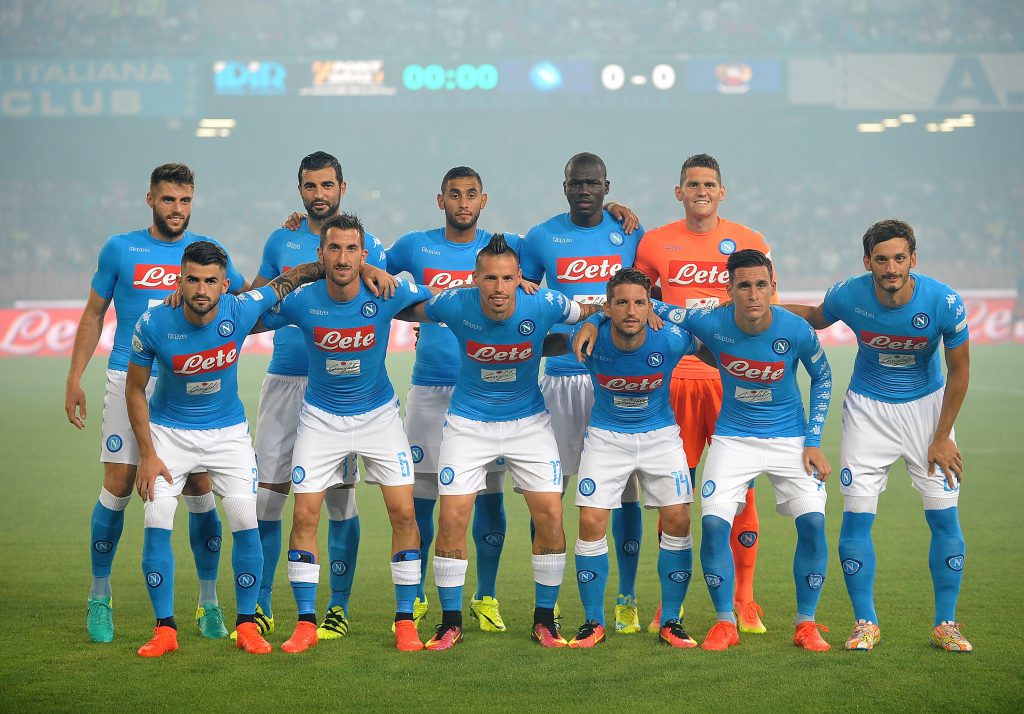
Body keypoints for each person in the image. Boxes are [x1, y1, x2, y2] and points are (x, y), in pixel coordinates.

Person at [576, 249, 833, 652]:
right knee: (713, 524)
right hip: (731, 438)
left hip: (789, 439)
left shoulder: (795, 329)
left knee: (814, 523)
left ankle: (806, 624)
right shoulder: (707, 321)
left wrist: (814, 441)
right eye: (743, 286)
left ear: (773, 288)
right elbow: (642, 304)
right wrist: (594, 318)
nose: (753, 294)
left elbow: (824, 377)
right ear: (728, 290)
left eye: (761, 285)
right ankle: (724, 622)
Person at [64, 163, 248, 643]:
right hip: (131, 376)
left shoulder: (204, 256)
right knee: (122, 484)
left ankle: (208, 604)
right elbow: (92, 313)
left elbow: (246, 291)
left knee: (199, 488)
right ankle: (100, 595)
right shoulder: (120, 249)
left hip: (191, 381)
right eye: (168, 200)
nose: (177, 209)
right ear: (150, 200)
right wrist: (74, 377)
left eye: (185, 200)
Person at [401, 234, 599, 650]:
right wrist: (372, 275)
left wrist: (594, 324)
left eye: (507, 278)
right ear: (475, 279)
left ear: (520, 278)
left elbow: (592, 311)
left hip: (528, 422)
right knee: (452, 519)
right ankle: (450, 621)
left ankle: (545, 619)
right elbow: (403, 307)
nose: (498, 288)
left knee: (549, 515)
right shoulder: (454, 303)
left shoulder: (544, 303)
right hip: (468, 424)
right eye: (489, 278)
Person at [783, 219, 973, 652]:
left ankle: (946, 623)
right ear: (867, 262)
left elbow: (960, 370)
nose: (891, 268)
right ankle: (864, 622)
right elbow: (816, 317)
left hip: (928, 410)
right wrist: (761, 305)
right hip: (868, 412)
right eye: (882, 259)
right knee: (857, 515)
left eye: (900, 258)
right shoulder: (849, 294)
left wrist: (943, 435)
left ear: (913, 259)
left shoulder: (942, 301)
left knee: (944, 516)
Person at [126, 240, 323, 657]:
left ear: (224, 284)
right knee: (157, 517)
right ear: (180, 280)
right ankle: (165, 629)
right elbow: (134, 388)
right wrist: (147, 453)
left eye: (211, 281)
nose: (201, 289)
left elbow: (288, 281)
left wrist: (336, 265)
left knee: (243, 520)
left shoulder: (240, 309)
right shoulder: (152, 323)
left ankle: (248, 625)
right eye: (193, 279)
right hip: (168, 434)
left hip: (227, 435)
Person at [259, 213, 433, 653]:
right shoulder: (302, 301)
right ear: (320, 255)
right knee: (304, 516)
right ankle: (304, 623)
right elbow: (252, 315)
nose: (342, 257)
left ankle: (404, 621)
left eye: (351, 249)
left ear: (364, 255)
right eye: (333, 249)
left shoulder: (385, 292)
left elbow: (436, 298)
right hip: (320, 419)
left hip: (378, 417)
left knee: (404, 514)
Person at [248, 151, 390, 642]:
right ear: (300, 190)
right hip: (285, 381)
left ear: (342, 188)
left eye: (327, 185)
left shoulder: (361, 245)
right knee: (269, 497)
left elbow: (383, 282)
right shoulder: (280, 240)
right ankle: (261, 604)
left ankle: (336, 607)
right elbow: (256, 302)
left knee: (338, 502)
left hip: (342, 392)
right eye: (311, 186)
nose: (319, 193)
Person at [633, 153, 775, 633]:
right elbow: (637, 301)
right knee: (675, 492)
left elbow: (766, 306)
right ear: (679, 192)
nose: (700, 190)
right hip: (673, 382)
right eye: (692, 183)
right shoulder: (654, 242)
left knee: (742, 490)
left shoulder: (750, 242)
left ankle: (745, 598)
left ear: (722, 191)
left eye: (709, 183)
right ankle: (668, 603)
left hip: (732, 383)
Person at [519, 153, 648, 633]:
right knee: (547, 493)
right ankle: (547, 602)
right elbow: (527, 293)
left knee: (626, 491)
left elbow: (645, 293)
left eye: (594, 183)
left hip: (618, 378)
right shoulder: (540, 237)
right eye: (577, 183)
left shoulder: (630, 232)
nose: (585, 190)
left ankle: (627, 598)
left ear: (606, 186)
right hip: (561, 377)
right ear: (565, 187)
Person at [385, 166, 516, 633]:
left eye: (472, 195)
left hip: (488, 392)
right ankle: (417, 594)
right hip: (429, 389)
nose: (463, 202)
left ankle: (486, 595)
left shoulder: (508, 249)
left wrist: (617, 213)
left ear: (485, 200)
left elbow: (543, 280)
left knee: (490, 498)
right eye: (455, 195)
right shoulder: (413, 247)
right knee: (421, 499)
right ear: (440, 200)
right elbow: (366, 268)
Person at [556, 269, 703, 650]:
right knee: (590, 520)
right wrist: (591, 320)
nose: (631, 310)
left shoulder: (670, 339)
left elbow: (710, 337)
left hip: (660, 437)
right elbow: (570, 328)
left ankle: (671, 620)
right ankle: (593, 622)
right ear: (609, 307)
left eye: (640, 302)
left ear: (649, 305)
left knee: (679, 518)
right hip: (606, 437)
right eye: (621, 302)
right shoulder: (589, 340)